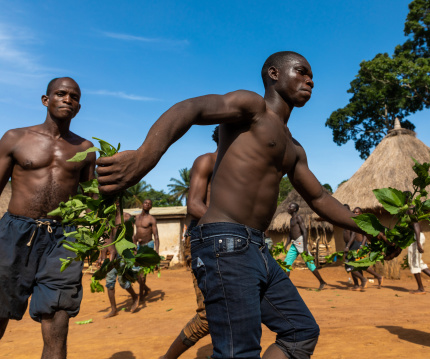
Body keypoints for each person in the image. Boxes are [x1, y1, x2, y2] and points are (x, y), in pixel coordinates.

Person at [96, 51, 382, 359]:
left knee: (300, 332)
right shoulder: (252, 108)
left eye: (311, 75)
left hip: (257, 248)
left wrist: (370, 227)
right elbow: (191, 108)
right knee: (239, 351)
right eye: (301, 72)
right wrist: (143, 157)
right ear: (274, 74)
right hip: (223, 241)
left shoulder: (294, 148)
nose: (309, 79)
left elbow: (319, 198)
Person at [0, 77, 95, 358]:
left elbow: (92, 200)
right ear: (46, 100)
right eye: (61, 94)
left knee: (57, 315)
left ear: (78, 107)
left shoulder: (85, 149)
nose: (68, 99)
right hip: (15, 233)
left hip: (64, 238)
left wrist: (106, 239)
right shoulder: (15, 138)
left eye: (74, 97)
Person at [161, 126, 218, 359]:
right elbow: (194, 207)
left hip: (231, 242)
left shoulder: (244, 168)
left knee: (234, 309)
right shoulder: (210, 162)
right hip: (204, 241)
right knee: (208, 316)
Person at [103, 211, 140, 318]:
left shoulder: (126, 217)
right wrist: (103, 255)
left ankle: (135, 297)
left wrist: (133, 249)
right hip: (112, 254)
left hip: (122, 253)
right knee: (109, 282)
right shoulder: (107, 218)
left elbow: (130, 235)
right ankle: (114, 309)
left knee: (122, 281)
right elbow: (106, 238)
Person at [284, 202, 327, 290]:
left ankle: (322, 281)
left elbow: (304, 231)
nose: (288, 208)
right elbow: (290, 233)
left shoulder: (298, 218)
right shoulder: (291, 219)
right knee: (286, 264)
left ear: (294, 209)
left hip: (300, 243)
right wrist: (286, 244)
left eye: (290, 207)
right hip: (294, 243)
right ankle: (285, 285)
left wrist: (304, 248)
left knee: (310, 264)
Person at [349, 207, 383, 289]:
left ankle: (378, 276)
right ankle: (368, 280)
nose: (355, 213)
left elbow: (365, 235)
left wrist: (362, 245)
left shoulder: (362, 223)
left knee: (363, 265)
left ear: (361, 213)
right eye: (354, 212)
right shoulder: (355, 222)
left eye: (357, 212)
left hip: (362, 246)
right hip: (357, 246)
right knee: (360, 265)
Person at [406, 222, 430, 294]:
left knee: (414, 262)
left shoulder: (410, 210)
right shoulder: (412, 211)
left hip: (416, 237)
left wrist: (418, 243)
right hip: (417, 237)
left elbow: (416, 224)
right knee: (418, 262)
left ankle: (421, 289)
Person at [134, 198, 159, 300]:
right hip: (138, 246)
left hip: (148, 246)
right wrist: (134, 245)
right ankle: (146, 289)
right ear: (142, 204)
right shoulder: (136, 218)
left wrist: (156, 253)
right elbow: (135, 233)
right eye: (145, 202)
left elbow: (156, 236)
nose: (147, 204)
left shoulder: (151, 219)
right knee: (134, 271)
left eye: (149, 203)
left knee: (142, 273)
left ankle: (141, 296)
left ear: (151, 207)